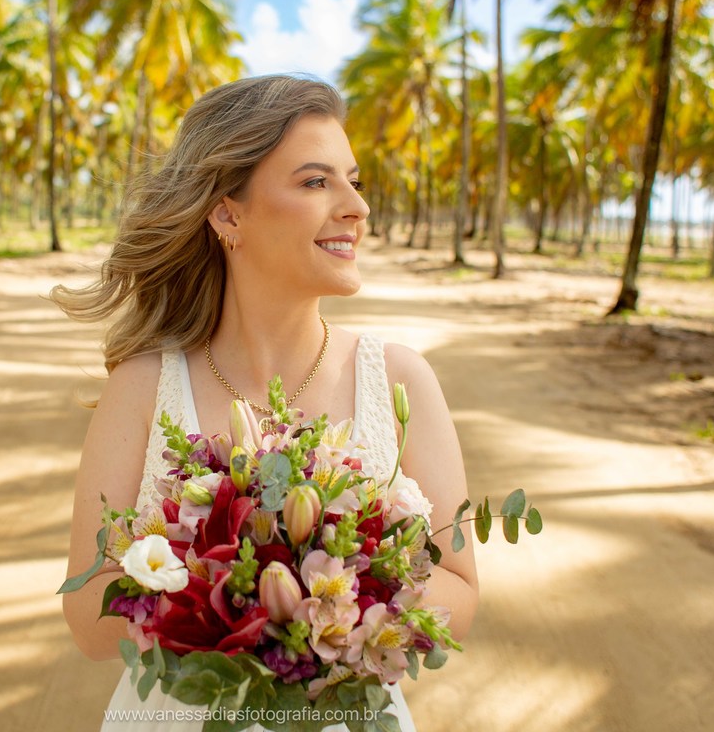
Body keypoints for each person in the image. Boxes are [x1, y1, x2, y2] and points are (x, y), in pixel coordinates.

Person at [54, 74, 478, 730]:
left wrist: (328, 600)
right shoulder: (141, 387)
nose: (356, 207)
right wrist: (234, 591)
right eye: (316, 182)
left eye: (353, 180)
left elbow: (461, 589)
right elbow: (87, 619)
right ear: (228, 213)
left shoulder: (401, 378)